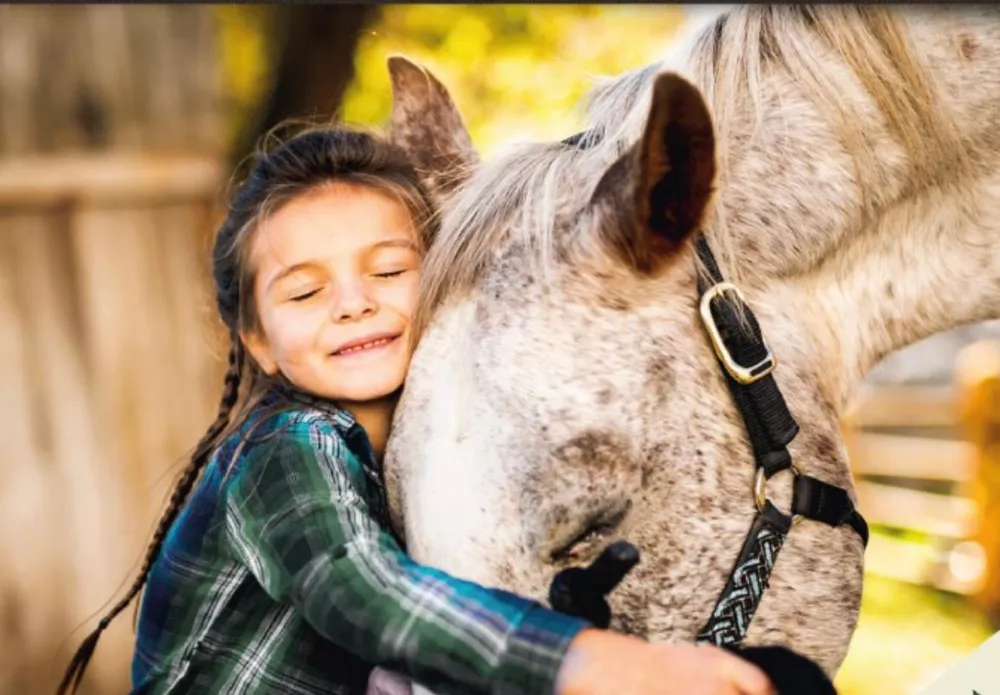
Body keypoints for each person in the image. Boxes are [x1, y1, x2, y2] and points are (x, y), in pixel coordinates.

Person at [57, 126, 775, 695]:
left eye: (391, 271)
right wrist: (590, 662)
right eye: (306, 293)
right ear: (259, 341)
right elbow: (363, 593)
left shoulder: (424, 455)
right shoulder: (285, 446)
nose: (353, 302)